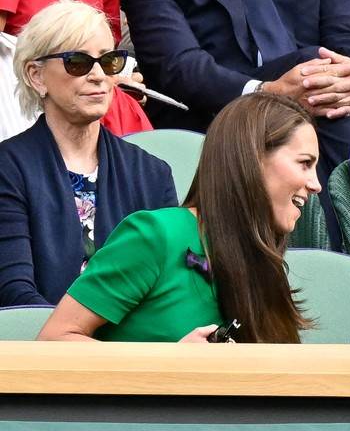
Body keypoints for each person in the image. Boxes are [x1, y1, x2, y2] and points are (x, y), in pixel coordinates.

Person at [118, 0, 350, 247]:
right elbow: (178, 66)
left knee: (336, 101)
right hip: (217, 113)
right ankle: (339, 257)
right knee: (317, 86)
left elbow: (347, 30)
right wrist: (267, 93)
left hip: (320, 100)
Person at [38, 92, 317, 342]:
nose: (315, 184)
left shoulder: (263, 261)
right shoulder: (155, 235)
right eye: (305, 163)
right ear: (252, 159)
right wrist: (168, 362)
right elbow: (53, 340)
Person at [0, 0, 175, 308]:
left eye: (109, 62)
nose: (98, 75)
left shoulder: (152, 173)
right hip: (40, 349)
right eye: (78, 62)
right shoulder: (7, 168)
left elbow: (169, 288)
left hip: (134, 349)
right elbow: (15, 293)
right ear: (36, 76)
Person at [0, 0, 151, 140]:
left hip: (83, 110)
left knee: (125, 113)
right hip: (19, 106)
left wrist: (118, 79)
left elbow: (101, 56)